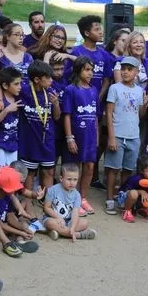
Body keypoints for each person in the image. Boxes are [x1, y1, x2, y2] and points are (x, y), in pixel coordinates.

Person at [69, 15, 114, 190]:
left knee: (92, 147)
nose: (101, 31)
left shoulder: (104, 54)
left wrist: (97, 98)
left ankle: (85, 191)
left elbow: (106, 80)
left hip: (97, 107)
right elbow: (71, 79)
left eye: (100, 28)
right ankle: (70, 188)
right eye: (96, 29)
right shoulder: (77, 52)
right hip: (77, 109)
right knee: (75, 152)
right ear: (87, 33)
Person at [105, 56, 148, 217]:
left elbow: (140, 114)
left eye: (129, 69)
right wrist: (111, 136)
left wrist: (145, 104)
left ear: (137, 72)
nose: (125, 72)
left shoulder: (139, 90)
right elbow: (109, 113)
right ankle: (110, 198)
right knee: (113, 169)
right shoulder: (115, 88)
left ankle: (122, 196)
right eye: (123, 69)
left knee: (128, 170)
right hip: (117, 134)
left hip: (133, 136)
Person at [18, 60, 61, 195]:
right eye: (47, 77)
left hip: (47, 139)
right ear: (36, 79)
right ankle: (29, 202)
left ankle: (47, 203)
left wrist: (56, 104)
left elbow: (57, 117)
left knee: (49, 171)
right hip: (29, 141)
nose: (51, 80)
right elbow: (1, 87)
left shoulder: (51, 92)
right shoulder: (24, 91)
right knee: (30, 172)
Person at [62, 57, 99, 213]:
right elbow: (67, 116)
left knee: (90, 167)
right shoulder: (71, 90)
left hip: (90, 136)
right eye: (86, 69)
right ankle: (71, 199)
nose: (90, 73)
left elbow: (96, 115)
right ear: (78, 70)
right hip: (76, 136)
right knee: (74, 169)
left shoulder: (93, 90)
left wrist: (96, 136)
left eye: (91, 70)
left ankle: (82, 198)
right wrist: (70, 138)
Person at [42, 163, 97, 240]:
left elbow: (75, 212)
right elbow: (47, 208)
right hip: (53, 218)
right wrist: (58, 218)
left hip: (68, 221)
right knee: (49, 223)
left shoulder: (77, 195)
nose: (72, 182)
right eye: (69, 179)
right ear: (61, 179)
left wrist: (73, 226)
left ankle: (59, 232)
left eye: (75, 179)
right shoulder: (52, 190)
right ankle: (78, 235)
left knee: (85, 223)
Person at [0, 67, 22, 172]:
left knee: (12, 174)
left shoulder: (18, 98)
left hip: (13, 143)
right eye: (16, 84)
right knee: (0, 175)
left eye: (20, 83)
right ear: (5, 85)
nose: (20, 87)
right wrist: (6, 110)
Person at [115, 154, 148, 223]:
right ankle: (126, 211)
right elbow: (125, 191)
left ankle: (143, 210)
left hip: (140, 200)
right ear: (142, 171)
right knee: (134, 193)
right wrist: (140, 191)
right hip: (125, 200)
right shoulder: (135, 179)